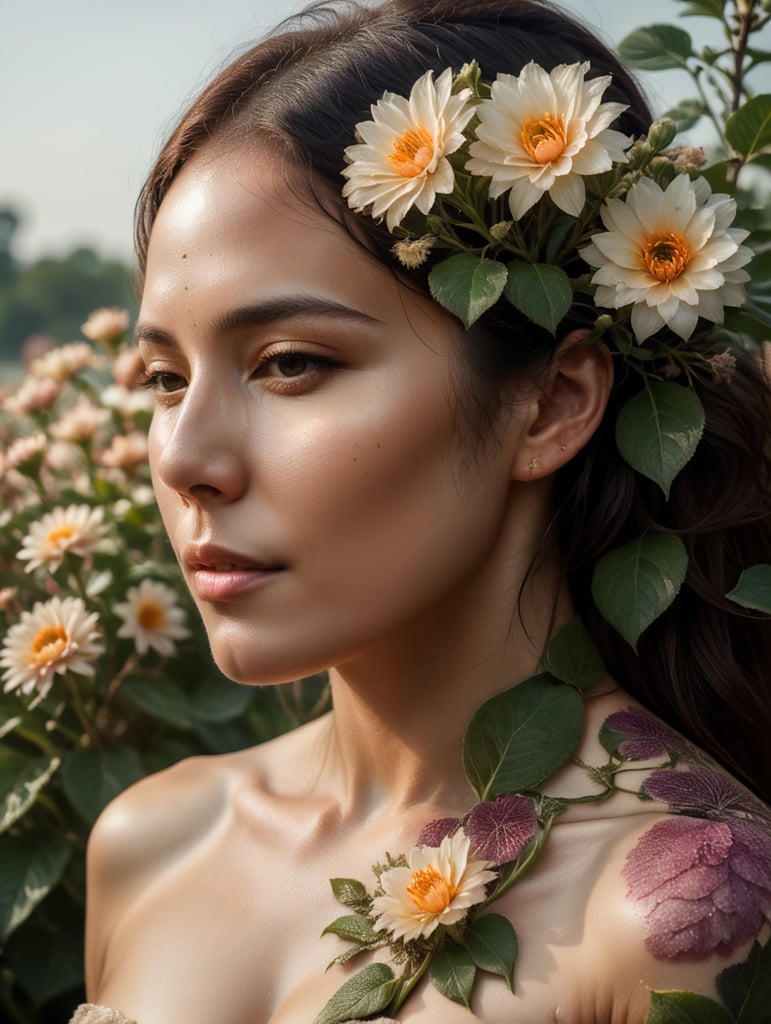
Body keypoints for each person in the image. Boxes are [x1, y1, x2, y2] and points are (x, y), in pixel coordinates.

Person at [75, 1, 771, 1022]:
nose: (185, 458)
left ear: (555, 400)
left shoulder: (687, 907)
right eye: (164, 377)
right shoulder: (151, 839)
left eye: (291, 365)